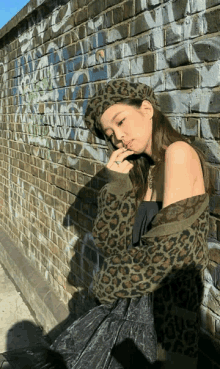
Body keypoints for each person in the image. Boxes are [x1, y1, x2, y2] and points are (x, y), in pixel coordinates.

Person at [13, 80, 211, 368]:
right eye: (111, 133)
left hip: (166, 324)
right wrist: (117, 186)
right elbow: (113, 246)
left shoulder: (178, 155)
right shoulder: (146, 169)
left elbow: (167, 258)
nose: (119, 137)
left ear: (146, 109)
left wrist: (106, 283)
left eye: (121, 121)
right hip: (131, 312)